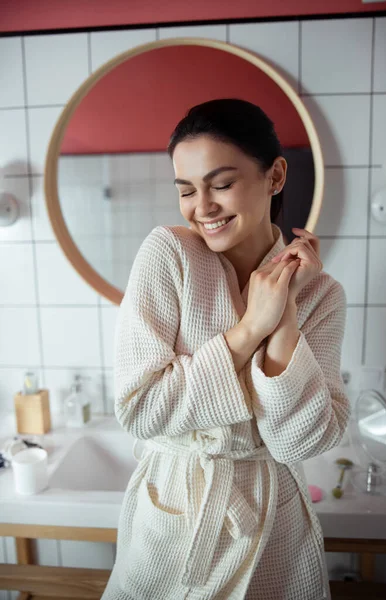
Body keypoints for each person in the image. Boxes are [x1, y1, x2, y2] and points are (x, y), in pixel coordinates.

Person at [102, 98, 350, 600]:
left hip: (272, 522)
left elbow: (300, 444)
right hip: (174, 514)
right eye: (187, 190)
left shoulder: (322, 294)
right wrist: (248, 329)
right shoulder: (167, 256)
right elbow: (141, 410)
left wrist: (284, 316)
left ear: (275, 176)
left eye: (221, 184)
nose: (203, 207)